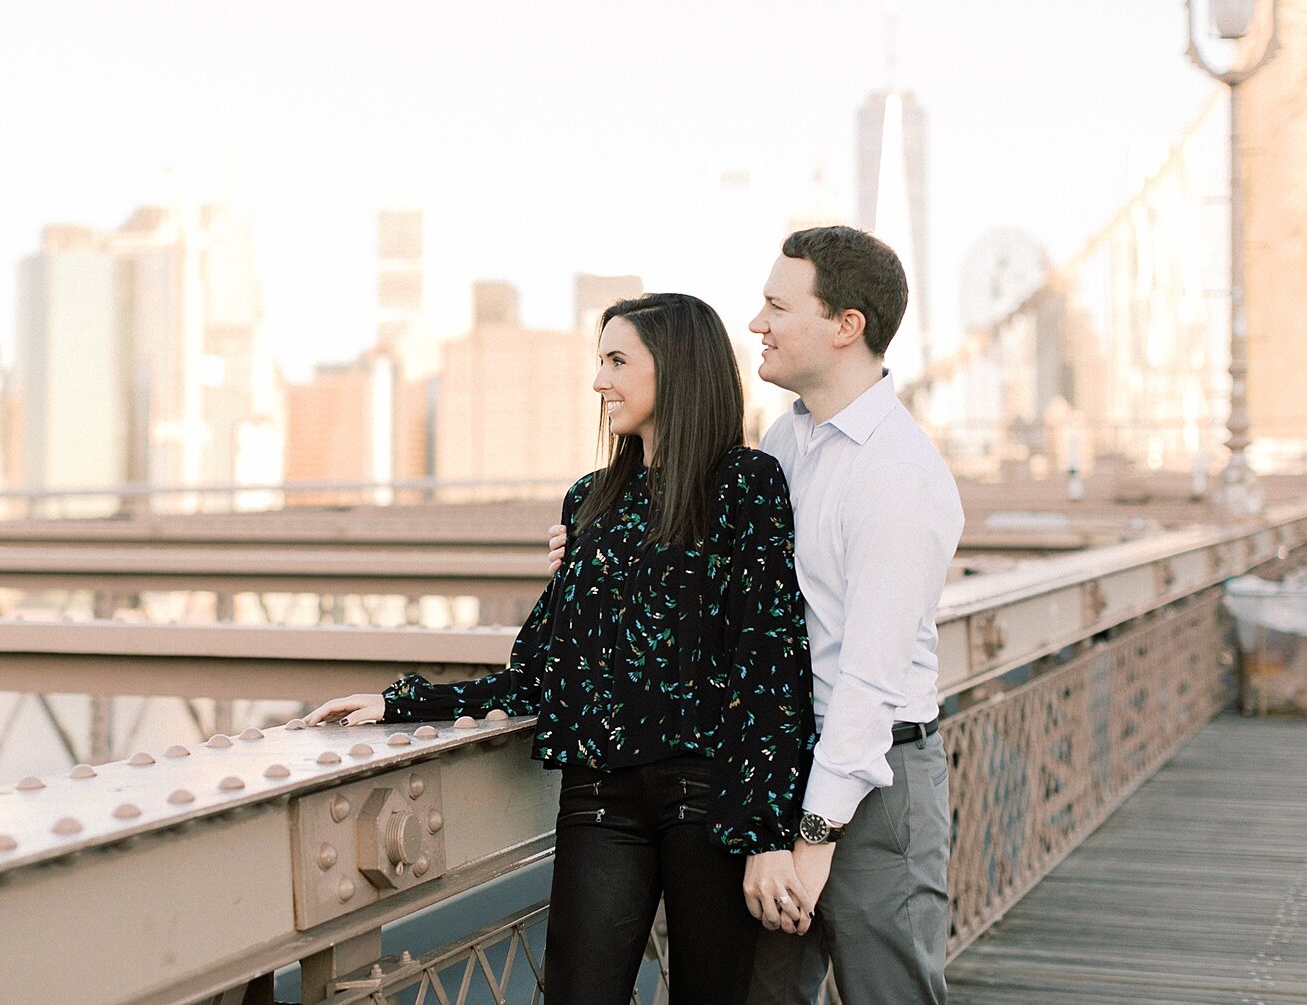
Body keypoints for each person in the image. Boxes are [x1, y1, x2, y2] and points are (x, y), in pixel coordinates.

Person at [307, 292, 816, 1005]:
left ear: (675, 368)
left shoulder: (745, 485)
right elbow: (540, 669)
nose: (600, 381)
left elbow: (770, 667)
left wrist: (765, 831)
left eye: (617, 360)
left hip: (709, 797)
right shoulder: (591, 499)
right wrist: (404, 699)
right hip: (600, 793)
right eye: (598, 360)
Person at [548, 227, 963, 1004]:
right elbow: (724, 589)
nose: (756, 323)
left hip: (870, 782)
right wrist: (594, 551)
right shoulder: (785, 441)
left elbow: (869, 682)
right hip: (778, 770)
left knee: (889, 992)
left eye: (777, 304)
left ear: (846, 325)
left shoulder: (898, 475)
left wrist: (810, 838)